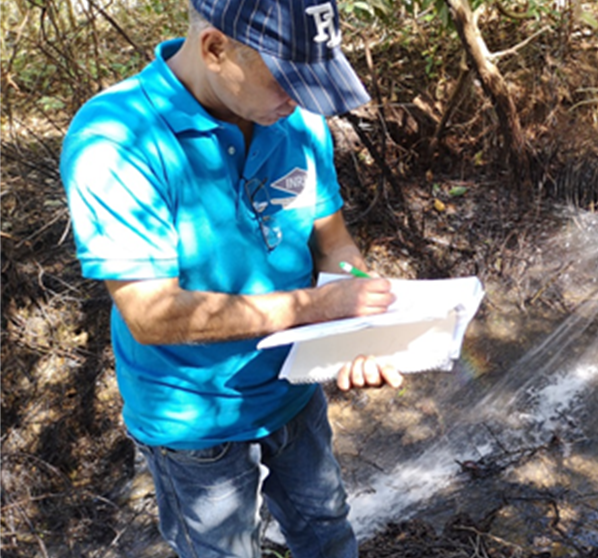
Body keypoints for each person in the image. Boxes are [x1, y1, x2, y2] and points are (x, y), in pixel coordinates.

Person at [59, 0, 399, 555]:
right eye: (289, 79)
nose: (302, 99)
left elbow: (334, 244)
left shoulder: (297, 116)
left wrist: (359, 326)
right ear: (216, 48)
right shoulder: (116, 137)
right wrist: (319, 308)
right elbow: (150, 313)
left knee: (326, 525)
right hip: (194, 419)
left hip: (293, 387)